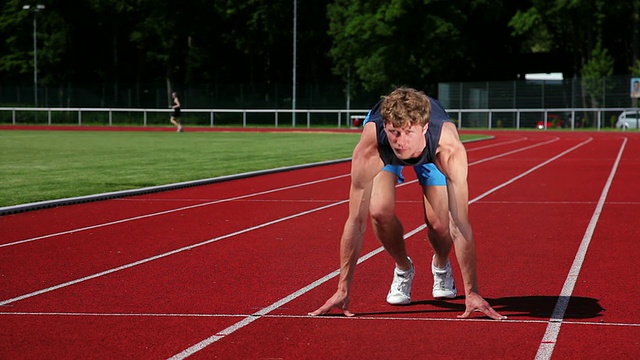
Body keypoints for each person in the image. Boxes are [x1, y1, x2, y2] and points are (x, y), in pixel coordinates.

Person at [308, 87, 506, 320]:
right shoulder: (371, 148)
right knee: (379, 212)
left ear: (423, 127)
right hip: (384, 153)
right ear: (385, 127)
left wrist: (472, 292)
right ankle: (403, 267)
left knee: (440, 225)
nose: (401, 142)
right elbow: (355, 222)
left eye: (408, 132)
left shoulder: (448, 149)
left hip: (430, 151)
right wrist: (342, 289)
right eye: (394, 132)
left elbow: (460, 224)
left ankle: (441, 265)